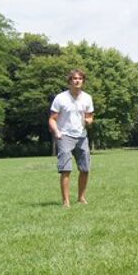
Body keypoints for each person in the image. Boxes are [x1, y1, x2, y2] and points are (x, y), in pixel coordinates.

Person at [49, 69, 95, 207]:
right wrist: (57, 132)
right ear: (69, 81)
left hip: (81, 136)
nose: (77, 81)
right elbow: (52, 119)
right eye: (74, 78)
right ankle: (66, 202)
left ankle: (81, 198)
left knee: (85, 169)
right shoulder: (60, 98)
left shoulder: (87, 98)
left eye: (80, 78)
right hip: (64, 135)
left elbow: (90, 115)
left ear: (83, 81)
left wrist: (89, 120)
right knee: (66, 169)